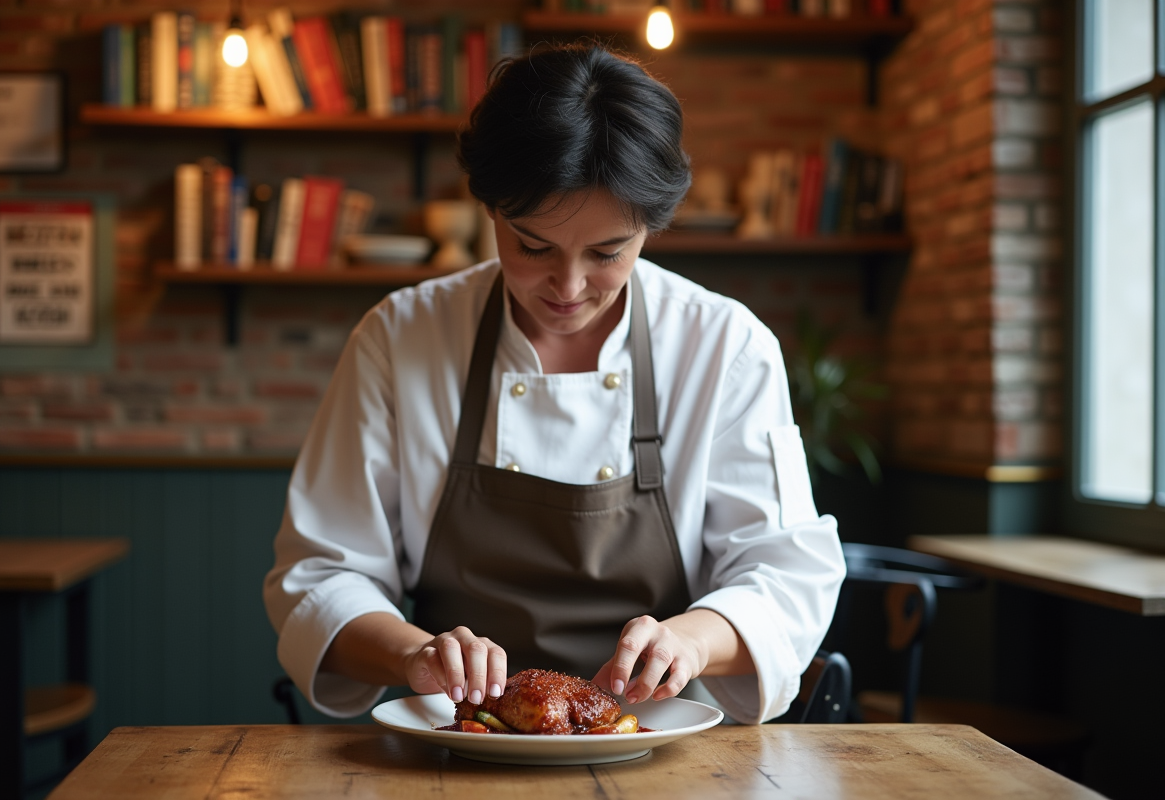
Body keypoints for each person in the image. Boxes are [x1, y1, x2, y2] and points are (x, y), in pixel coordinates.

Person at [263, 44, 845, 724]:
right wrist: (413, 655)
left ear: (650, 229)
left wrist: (690, 639)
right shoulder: (401, 338)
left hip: (665, 748)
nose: (569, 288)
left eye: (608, 253)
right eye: (533, 246)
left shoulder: (725, 347)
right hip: (456, 741)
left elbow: (785, 575)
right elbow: (319, 575)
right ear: (489, 209)